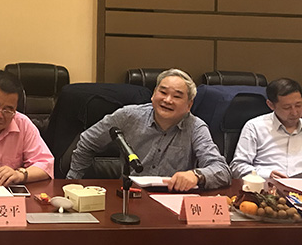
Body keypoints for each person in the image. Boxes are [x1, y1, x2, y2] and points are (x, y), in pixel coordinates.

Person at [67, 68, 231, 190]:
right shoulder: (128, 116)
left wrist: (196, 175)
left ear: (189, 105)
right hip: (130, 195)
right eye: (163, 92)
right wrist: (72, 182)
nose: (167, 100)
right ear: (153, 94)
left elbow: (222, 171)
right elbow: (87, 141)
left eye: (177, 96)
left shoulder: (196, 127)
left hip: (173, 199)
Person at [230, 77, 302, 179]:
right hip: (267, 185)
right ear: (271, 105)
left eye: (298, 105)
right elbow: (237, 167)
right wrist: (267, 175)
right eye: (287, 107)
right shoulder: (254, 127)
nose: (294, 112)